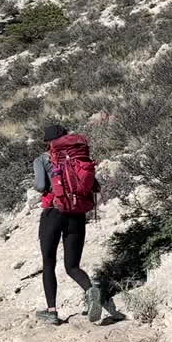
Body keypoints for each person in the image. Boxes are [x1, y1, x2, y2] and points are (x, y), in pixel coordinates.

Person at [33, 124, 102, 324]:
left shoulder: (43, 159)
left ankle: (52, 311)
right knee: (72, 266)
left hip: (53, 213)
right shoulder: (80, 156)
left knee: (48, 263)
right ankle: (90, 290)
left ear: (48, 142)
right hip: (77, 213)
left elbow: (40, 185)